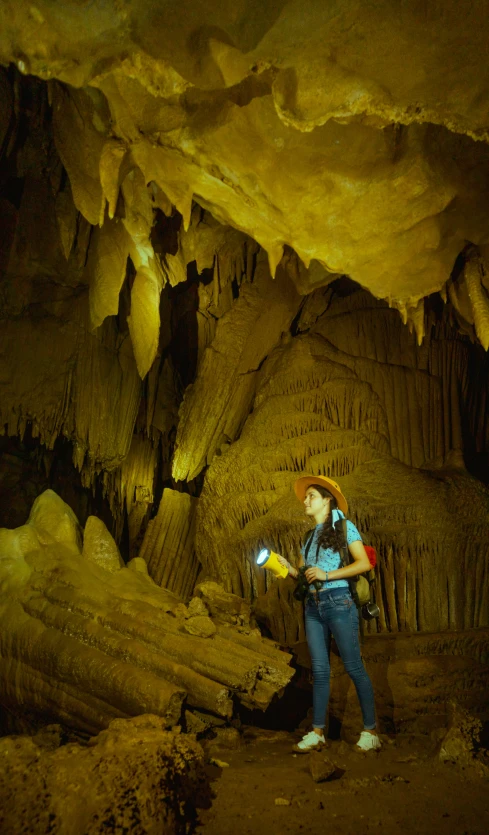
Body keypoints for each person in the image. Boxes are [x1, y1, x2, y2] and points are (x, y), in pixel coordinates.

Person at [278, 474, 381, 753]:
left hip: (339, 601)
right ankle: (317, 732)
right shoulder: (308, 537)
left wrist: (328, 573)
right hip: (313, 607)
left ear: (327, 499)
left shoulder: (346, 528)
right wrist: (287, 568)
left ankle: (371, 731)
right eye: (306, 496)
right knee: (320, 671)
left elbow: (363, 564)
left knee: (353, 666)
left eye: (311, 495)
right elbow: (303, 577)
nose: (305, 500)